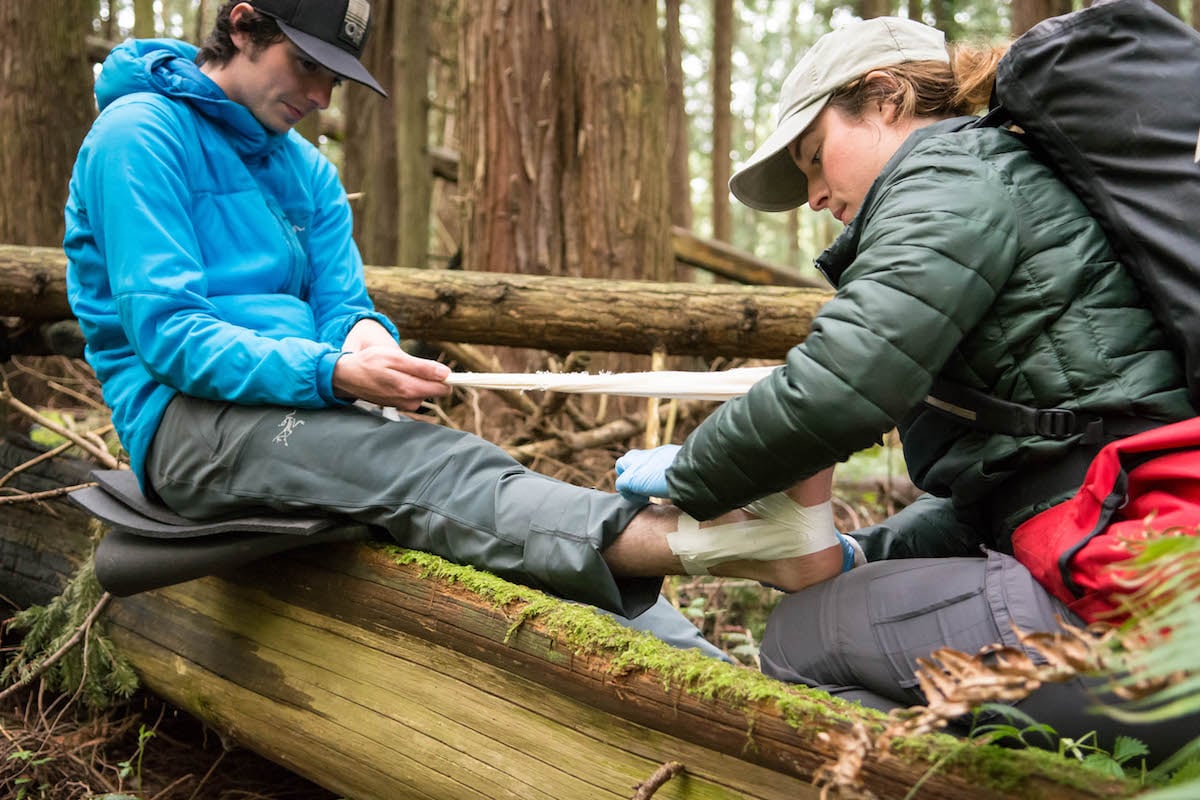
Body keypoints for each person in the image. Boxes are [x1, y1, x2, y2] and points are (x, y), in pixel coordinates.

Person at [62, 0, 862, 661]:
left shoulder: (305, 171)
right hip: (183, 424)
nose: (321, 98)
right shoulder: (139, 135)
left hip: (301, 401)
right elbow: (169, 333)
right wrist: (331, 373)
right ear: (241, 26)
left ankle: (704, 668)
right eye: (307, 65)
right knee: (426, 464)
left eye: (334, 76)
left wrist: (365, 339)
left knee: (473, 486)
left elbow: (340, 306)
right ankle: (707, 546)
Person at [613, 16, 1198, 753]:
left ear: (885, 98)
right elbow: (1029, 480)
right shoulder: (1004, 175)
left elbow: (842, 382)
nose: (816, 194)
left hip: (1152, 611)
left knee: (801, 639)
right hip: (1145, 568)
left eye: (816, 158)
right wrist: (866, 553)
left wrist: (696, 470)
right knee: (840, 616)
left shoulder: (950, 169)